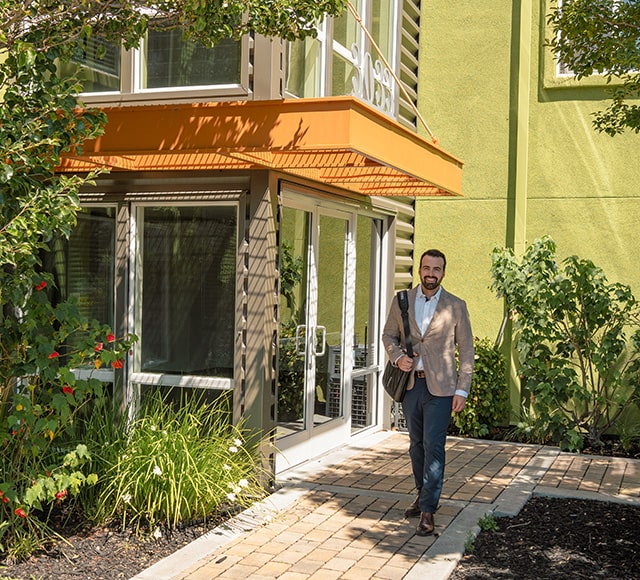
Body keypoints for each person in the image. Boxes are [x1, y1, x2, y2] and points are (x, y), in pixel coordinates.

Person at [382, 249, 474, 536]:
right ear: (419, 270)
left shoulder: (456, 306)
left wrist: (462, 388)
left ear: (443, 273)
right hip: (411, 385)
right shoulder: (403, 301)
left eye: (436, 269)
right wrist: (397, 357)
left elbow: (467, 349)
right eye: (426, 268)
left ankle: (428, 511)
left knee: (434, 446)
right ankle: (423, 495)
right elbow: (388, 335)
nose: (431, 273)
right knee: (416, 445)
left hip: (442, 388)